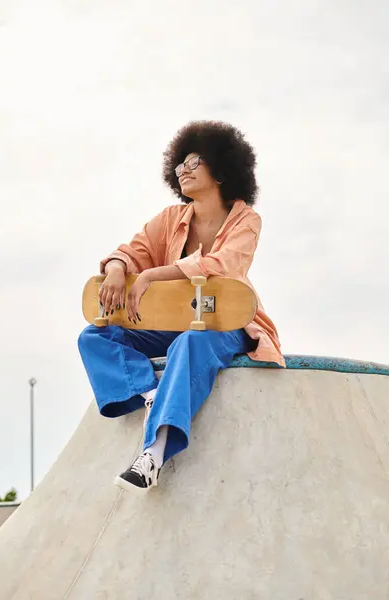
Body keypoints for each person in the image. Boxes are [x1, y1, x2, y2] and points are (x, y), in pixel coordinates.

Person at [78, 120, 285, 497]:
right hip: (173, 323)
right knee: (95, 335)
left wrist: (154, 275)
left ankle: (153, 456)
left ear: (222, 168)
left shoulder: (246, 220)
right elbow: (131, 249)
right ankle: (147, 392)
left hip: (227, 323)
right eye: (180, 165)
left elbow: (224, 266)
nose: (184, 169)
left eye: (194, 160)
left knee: (190, 343)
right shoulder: (171, 219)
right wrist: (116, 269)